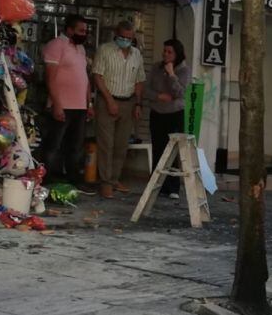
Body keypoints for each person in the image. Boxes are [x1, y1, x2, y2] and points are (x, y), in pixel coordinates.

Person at [92, 21, 146, 199]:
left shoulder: (136, 54)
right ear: (116, 34)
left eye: (129, 38)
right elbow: (98, 77)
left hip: (128, 102)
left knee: (121, 145)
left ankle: (115, 179)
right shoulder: (105, 50)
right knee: (106, 144)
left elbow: (139, 81)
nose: (125, 41)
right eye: (122, 37)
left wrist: (138, 104)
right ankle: (105, 182)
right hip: (108, 100)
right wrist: (109, 101)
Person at [42, 14, 94, 192]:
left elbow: (84, 78)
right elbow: (51, 78)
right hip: (62, 104)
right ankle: (45, 181)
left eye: (85, 31)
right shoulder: (57, 45)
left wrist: (89, 104)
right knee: (53, 146)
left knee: (76, 146)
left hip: (80, 106)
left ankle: (73, 180)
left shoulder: (81, 49)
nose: (84, 34)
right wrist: (56, 104)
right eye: (80, 30)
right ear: (69, 30)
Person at [143, 39, 190, 199]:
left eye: (170, 52)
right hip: (157, 112)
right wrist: (158, 96)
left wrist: (171, 75)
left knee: (172, 150)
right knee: (158, 148)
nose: (166, 54)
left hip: (174, 114)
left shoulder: (183, 70)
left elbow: (180, 93)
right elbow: (146, 90)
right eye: (164, 51)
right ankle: (157, 185)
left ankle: (173, 187)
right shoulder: (156, 67)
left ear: (177, 54)